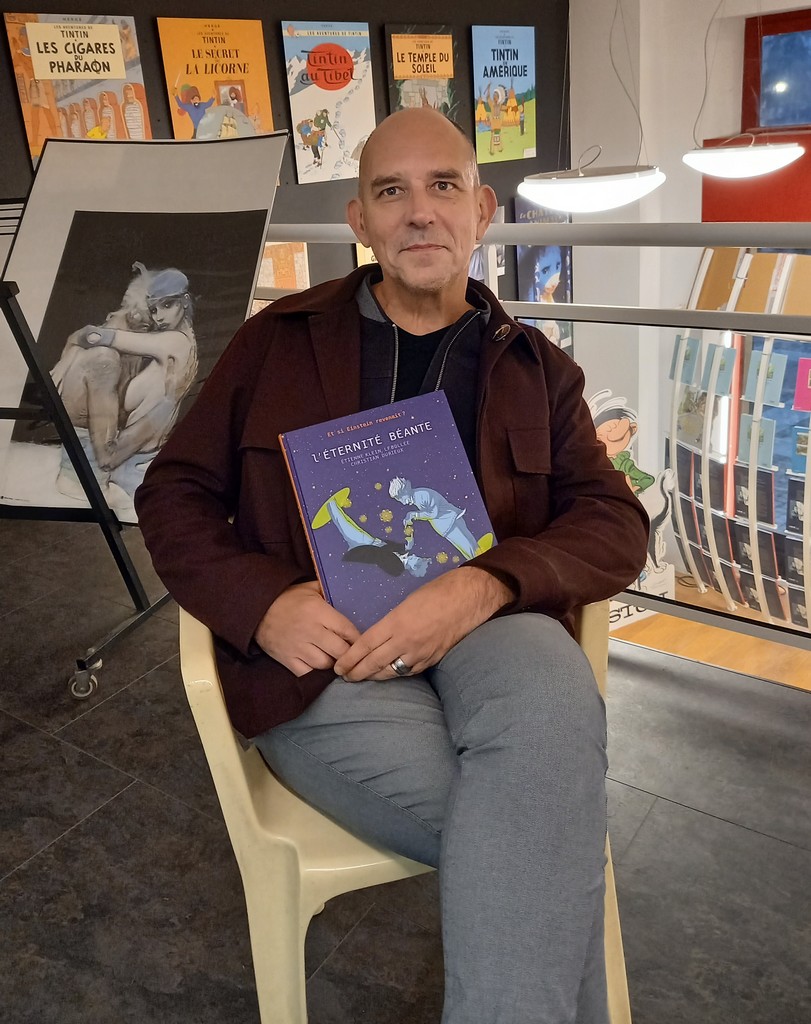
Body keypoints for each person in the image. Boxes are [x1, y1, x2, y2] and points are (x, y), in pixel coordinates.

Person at [135, 108, 648, 1024]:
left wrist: (483, 584)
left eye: (443, 186)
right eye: (390, 191)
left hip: (491, 632)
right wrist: (263, 605)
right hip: (327, 662)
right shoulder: (275, 342)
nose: (420, 212)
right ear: (359, 220)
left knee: (542, 754)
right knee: (543, 833)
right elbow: (173, 493)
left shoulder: (538, 370)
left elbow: (613, 522)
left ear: (481, 210)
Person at [51, 264, 197, 503]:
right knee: (105, 360)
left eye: (166, 305)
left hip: (124, 464)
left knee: (110, 362)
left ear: (185, 301)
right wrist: (68, 357)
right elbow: (94, 336)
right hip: (109, 465)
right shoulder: (161, 349)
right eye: (154, 309)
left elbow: (94, 336)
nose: (159, 317)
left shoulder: (173, 344)